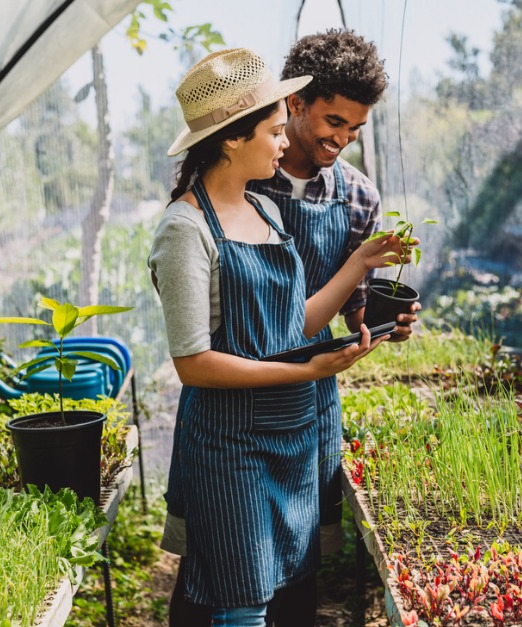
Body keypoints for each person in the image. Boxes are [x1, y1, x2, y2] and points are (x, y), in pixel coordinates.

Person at [149, 49, 406, 626]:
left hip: (289, 438)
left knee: (285, 591)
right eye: (272, 131)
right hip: (232, 444)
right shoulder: (185, 228)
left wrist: (359, 264)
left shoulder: (264, 209)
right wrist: (305, 373)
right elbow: (193, 364)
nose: (283, 143)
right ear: (233, 141)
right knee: (240, 606)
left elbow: (298, 325)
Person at [247, 30, 421, 624]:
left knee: (299, 568)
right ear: (294, 103)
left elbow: (353, 308)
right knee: (222, 566)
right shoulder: (241, 178)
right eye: (333, 120)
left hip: (313, 396)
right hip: (238, 389)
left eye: (354, 129)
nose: (342, 140)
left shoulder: (357, 197)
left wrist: (382, 320)